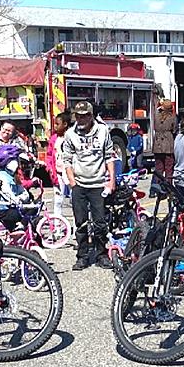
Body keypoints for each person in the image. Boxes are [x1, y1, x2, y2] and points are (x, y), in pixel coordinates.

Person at [63, 101, 115, 271]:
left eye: (85, 115)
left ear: (91, 115)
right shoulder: (70, 134)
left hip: (98, 183)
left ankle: (101, 254)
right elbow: (67, 159)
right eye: (78, 116)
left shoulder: (103, 131)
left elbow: (109, 156)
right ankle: (83, 256)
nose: (81, 119)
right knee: (81, 223)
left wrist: (111, 180)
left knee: (100, 222)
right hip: (79, 184)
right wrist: (72, 182)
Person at [0, 144, 36, 232]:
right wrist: (18, 200)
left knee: (34, 208)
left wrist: (25, 197)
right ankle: (20, 227)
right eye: (15, 160)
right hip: (5, 211)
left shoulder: (12, 175)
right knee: (26, 212)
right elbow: (7, 193)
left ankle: (23, 229)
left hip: (13, 206)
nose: (18, 163)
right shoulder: (2, 176)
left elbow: (22, 191)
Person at [45, 112, 72, 217]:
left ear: (65, 124)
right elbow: (49, 154)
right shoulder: (54, 138)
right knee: (57, 200)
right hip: (58, 173)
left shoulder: (71, 137)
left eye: (57, 124)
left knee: (74, 199)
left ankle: (77, 226)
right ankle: (58, 226)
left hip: (70, 173)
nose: (55, 126)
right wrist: (49, 167)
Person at [151, 99, 177, 193]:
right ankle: (168, 188)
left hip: (157, 143)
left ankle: (155, 188)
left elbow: (154, 127)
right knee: (169, 168)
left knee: (159, 168)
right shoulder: (172, 117)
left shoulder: (156, 116)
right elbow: (174, 129)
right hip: (168, 143)